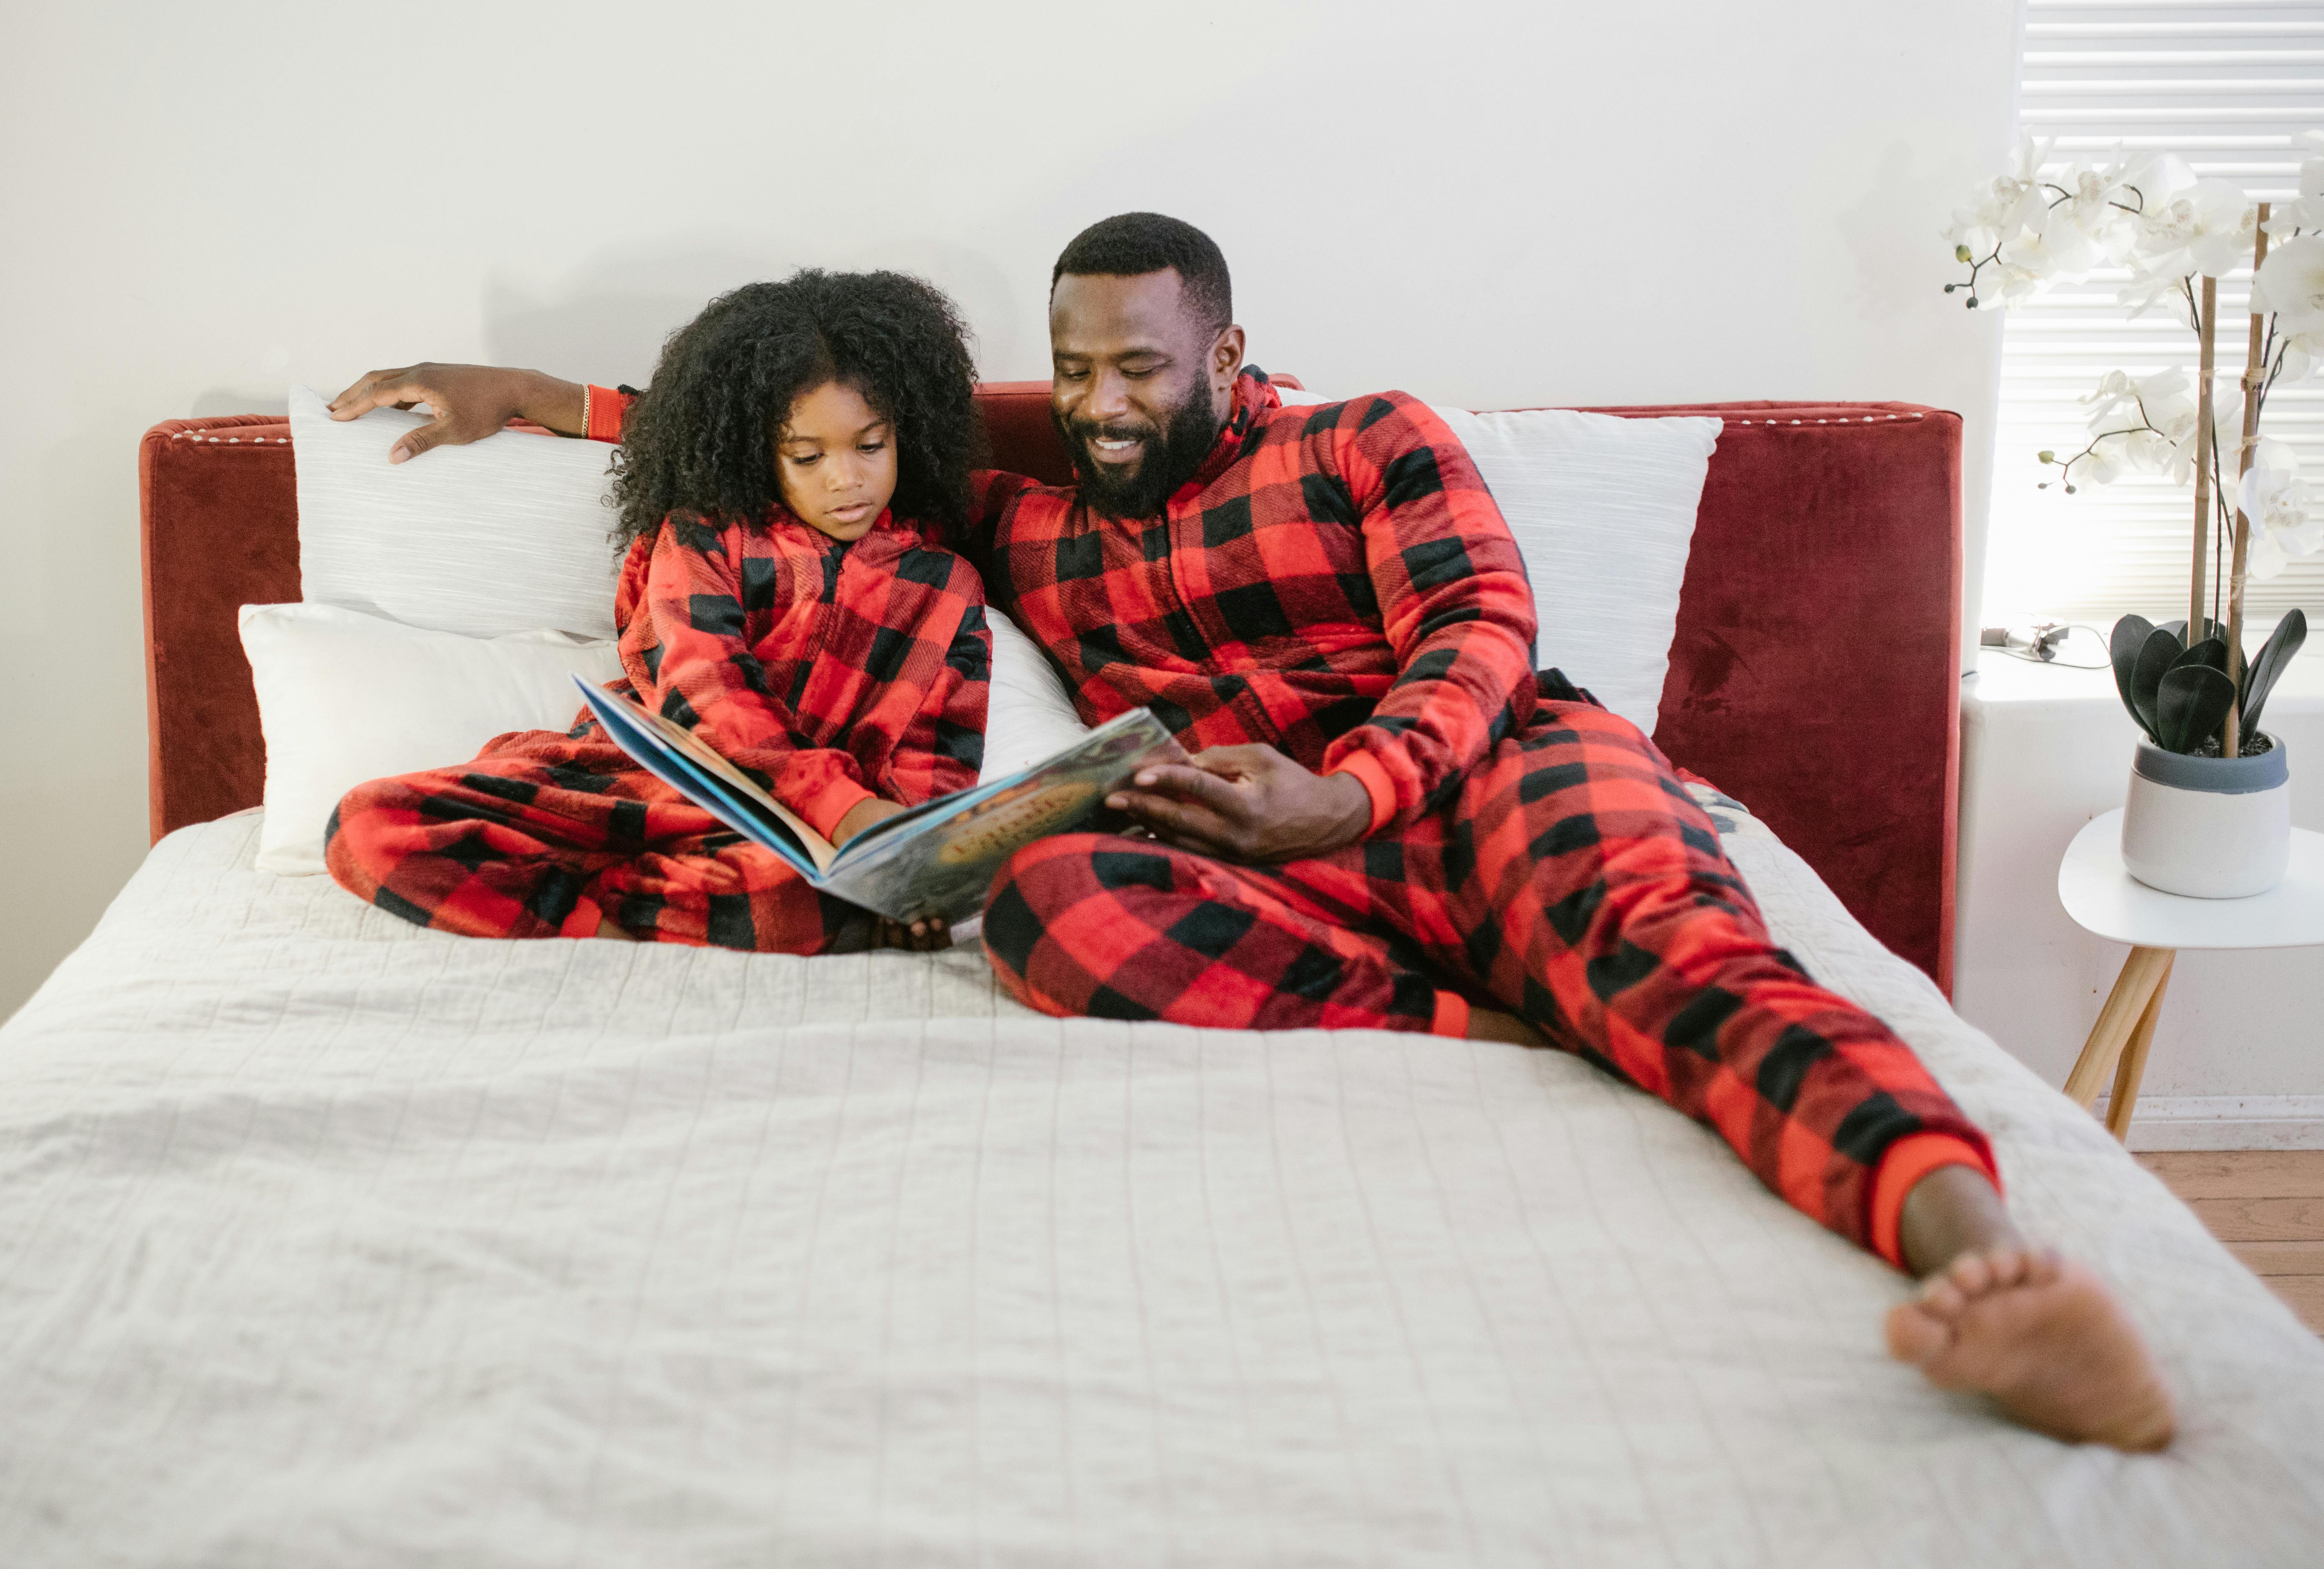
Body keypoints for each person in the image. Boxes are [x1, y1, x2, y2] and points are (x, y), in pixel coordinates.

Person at [327, 216, 2178, 1453]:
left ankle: (1968, 1251)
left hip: (1473, 778)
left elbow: (1479, 635)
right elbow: (808, 426)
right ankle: (1523, 1017)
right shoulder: (1030, 521)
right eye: (1079, 373)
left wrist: (1355, 786)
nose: (1108, 403)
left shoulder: (1368, 440)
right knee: (1047, 906)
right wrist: (542, 402)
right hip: (1241, 853)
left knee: (1678, 948)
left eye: (1143, 366)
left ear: (1225, 346)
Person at [325, 269, 988, 954]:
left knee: (799, 901)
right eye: (807, 455)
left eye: (870, 446)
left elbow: (935, 761)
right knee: (371, 826)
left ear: (911, 432)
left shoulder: (948, 587)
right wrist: (845, 809)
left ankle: (605, 904)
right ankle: (611, 927)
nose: (846, 477)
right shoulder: (705, 532)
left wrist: (913, 870)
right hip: (634, 788)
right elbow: (705, 685)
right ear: (756, 450)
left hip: (788, 840)